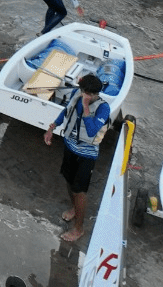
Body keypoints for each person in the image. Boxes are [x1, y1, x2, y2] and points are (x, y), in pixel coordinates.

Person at [44, 72, 112, 243]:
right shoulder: (76, 94)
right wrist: (52, 128)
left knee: (79, 191)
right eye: (83, 92)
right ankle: (74, 208)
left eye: (89, 94)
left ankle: (79, 228)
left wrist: (86, 107)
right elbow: (66, 112)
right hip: (69, 147)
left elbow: (91, 131)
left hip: (86, 154)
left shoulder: (103, 108)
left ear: (96, 94)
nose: (85, 96)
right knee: (68, 180)